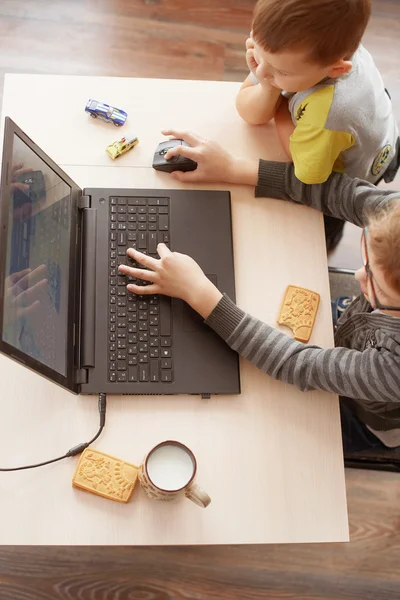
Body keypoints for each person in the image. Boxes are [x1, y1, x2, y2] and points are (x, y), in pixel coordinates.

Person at [119, 131, 400, 454]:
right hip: (358, 335)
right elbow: (339, 192)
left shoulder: (392, 368)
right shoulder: (394, 217)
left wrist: (200, 294)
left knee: (298, 431)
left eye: (375, 285)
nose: (356, 274)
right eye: (364, 257)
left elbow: (301, 365)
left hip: (366, 415)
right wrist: (235, 169)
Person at [235, 0, 400, 250]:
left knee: (321, 230)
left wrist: (278, 103)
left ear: (336, 69)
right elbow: (250, 112)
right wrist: (271, 85)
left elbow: (308, 173)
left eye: (280, 72)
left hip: (353, 176)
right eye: (258, 51)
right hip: (372, 135)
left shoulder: (331, 113)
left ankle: (328, 245)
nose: (263, 71)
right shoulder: (296, 53)